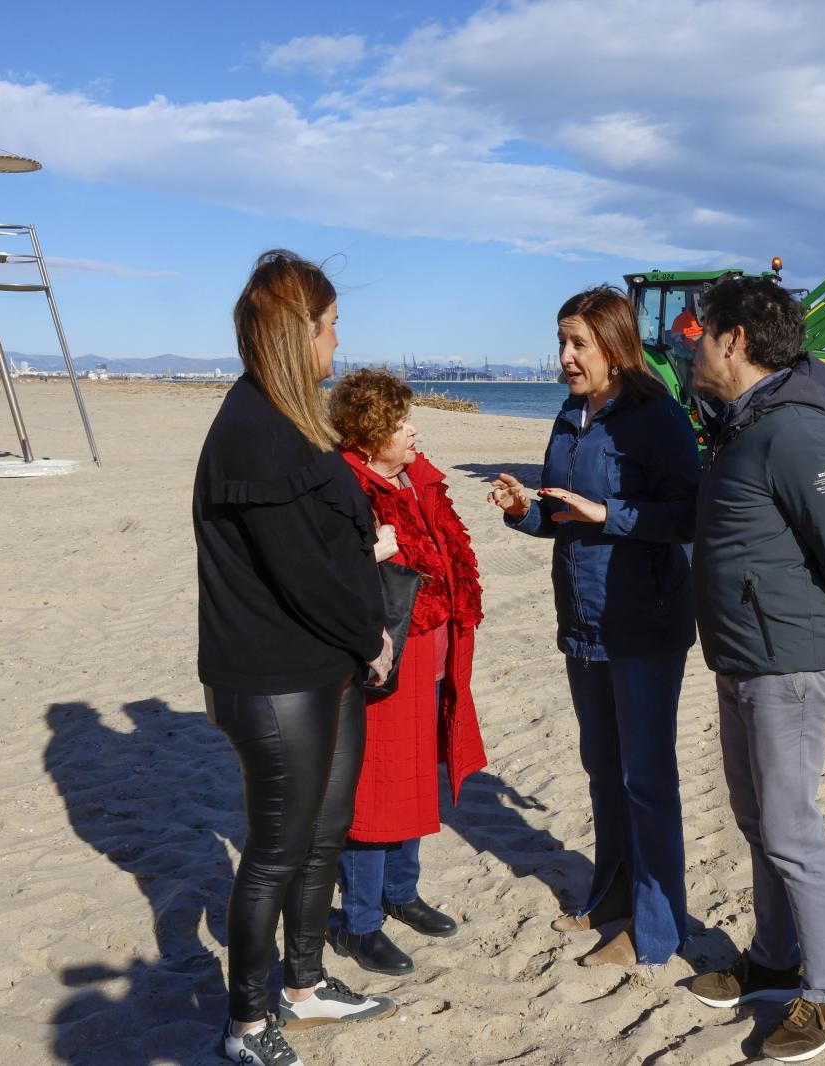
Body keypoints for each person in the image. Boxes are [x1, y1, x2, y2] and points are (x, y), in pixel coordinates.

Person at [193, 250, 396, 1066]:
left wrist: (357, 633)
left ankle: (304, 984)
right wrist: (372, 635)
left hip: (324, 666)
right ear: (296, 333)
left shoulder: (294, 419)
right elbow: (305, 573)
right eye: (331, 326)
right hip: (275, 679)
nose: (338, 344)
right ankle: (246, 1026)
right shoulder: (254, 432)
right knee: (274, 852)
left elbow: (330, 545)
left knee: (324, 834)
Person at [683, 277, 825, 1063]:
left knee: (793, 830)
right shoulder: (745, 423)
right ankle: (772, 959)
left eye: (700, 332)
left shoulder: (794, 431)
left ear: (734, 341)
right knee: (757, 819)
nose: (691, 344)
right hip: (743, 653)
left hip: (786, 662)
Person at [486, 285, 700, 967]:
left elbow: (689, 517)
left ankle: (657, 931)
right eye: (561, 341)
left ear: (614, 343)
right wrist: (523, 508)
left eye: (577, 342)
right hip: (581, 619)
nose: (565, 356)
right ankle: (610, 898)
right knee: (603, 771)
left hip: (643, 621)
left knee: (646, 779)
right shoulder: (569, 414)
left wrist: (610, 516)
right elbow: (559, 512)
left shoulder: (656, 417)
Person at [325, 368, 487, 975]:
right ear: (369, 435)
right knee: (375, 785)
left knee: (417, 772)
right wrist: (375, 550)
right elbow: (330, 574)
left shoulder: (417, 479)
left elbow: (447, 560)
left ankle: (401, 891)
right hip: (386, 656)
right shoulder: (346, 486)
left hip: (435, 653)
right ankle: (360, 923)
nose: (413, 430)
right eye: (398, 423)